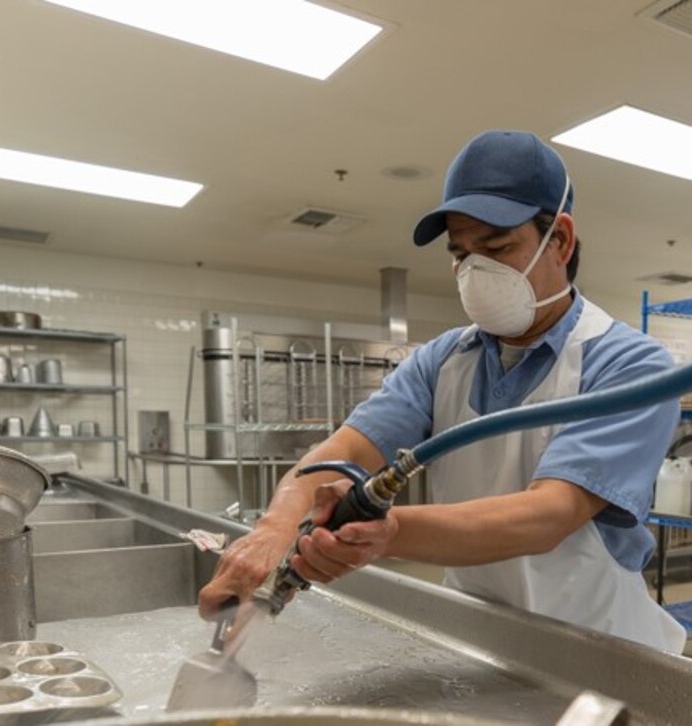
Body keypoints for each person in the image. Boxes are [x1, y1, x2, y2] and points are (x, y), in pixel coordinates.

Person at [198, 130, 687, 653]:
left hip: (599, 650)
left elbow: (549, 515)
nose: (476, 272)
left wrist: (387, 532)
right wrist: (274, 531)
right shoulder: (442, 360)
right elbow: (342, 452)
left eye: (497, 248)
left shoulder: (630, 364)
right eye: (461, 254)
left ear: (561, 240)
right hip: (481, 641)